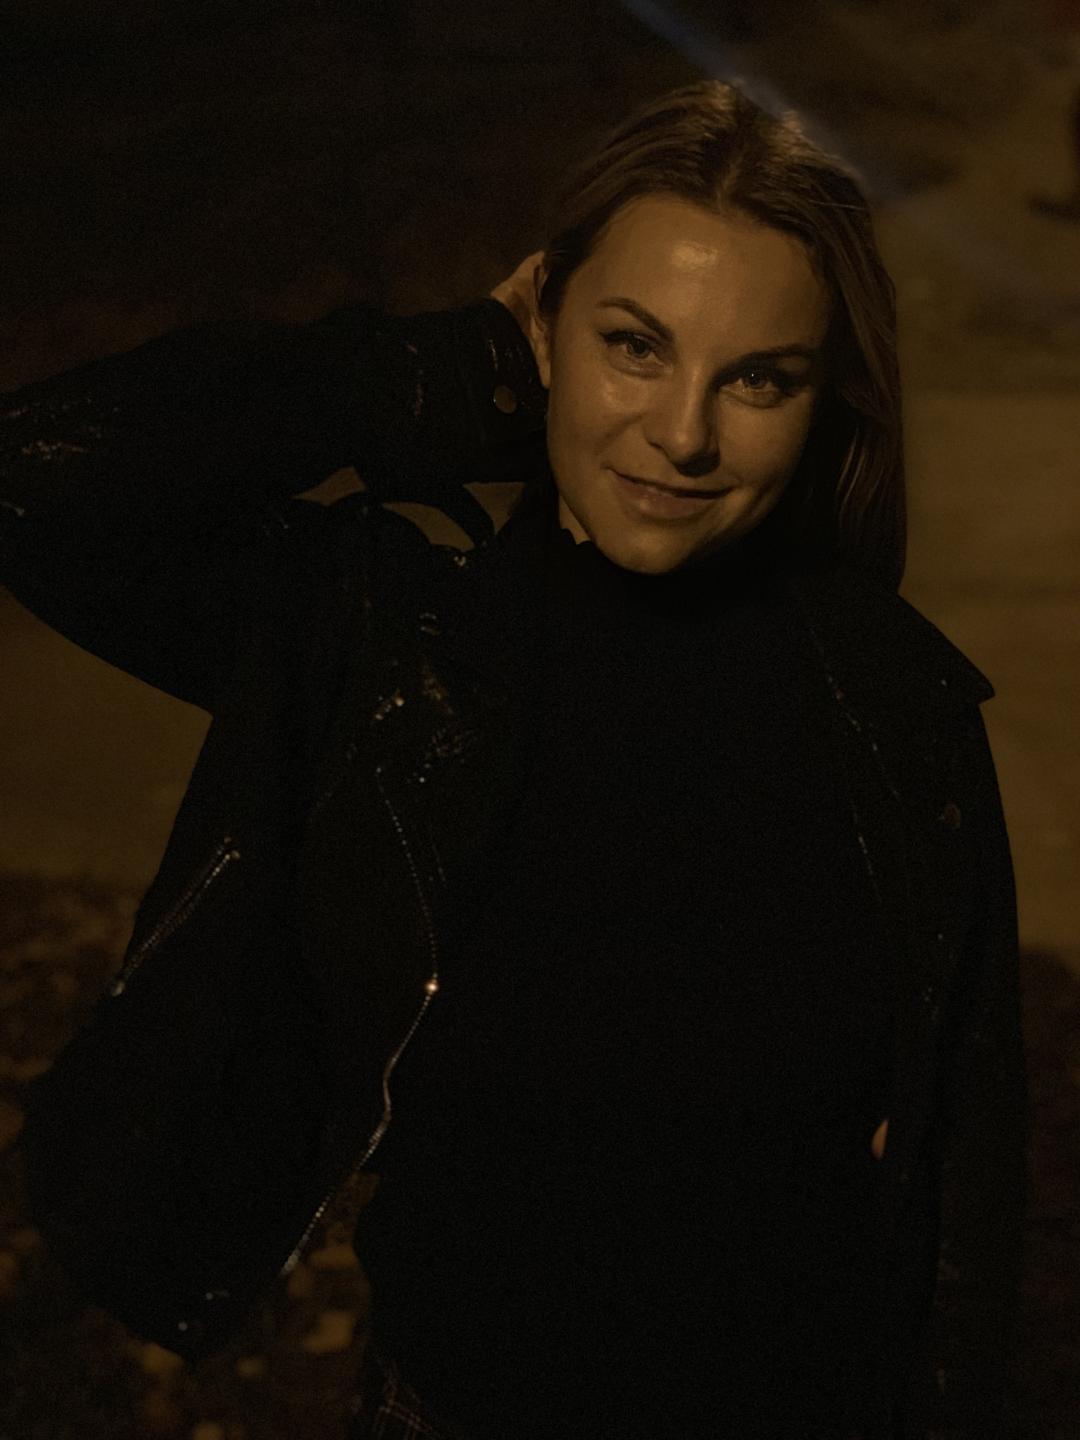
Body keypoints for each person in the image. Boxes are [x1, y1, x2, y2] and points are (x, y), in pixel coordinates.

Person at [3, 81, 1026, 1439]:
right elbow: (42, 481)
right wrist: (444, 366)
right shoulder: (391, 648)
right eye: (634, 346)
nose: (684, 435)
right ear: (547, 323)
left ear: (824, 395)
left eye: (758, 378)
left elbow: (963, 1203)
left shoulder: (896, 709)